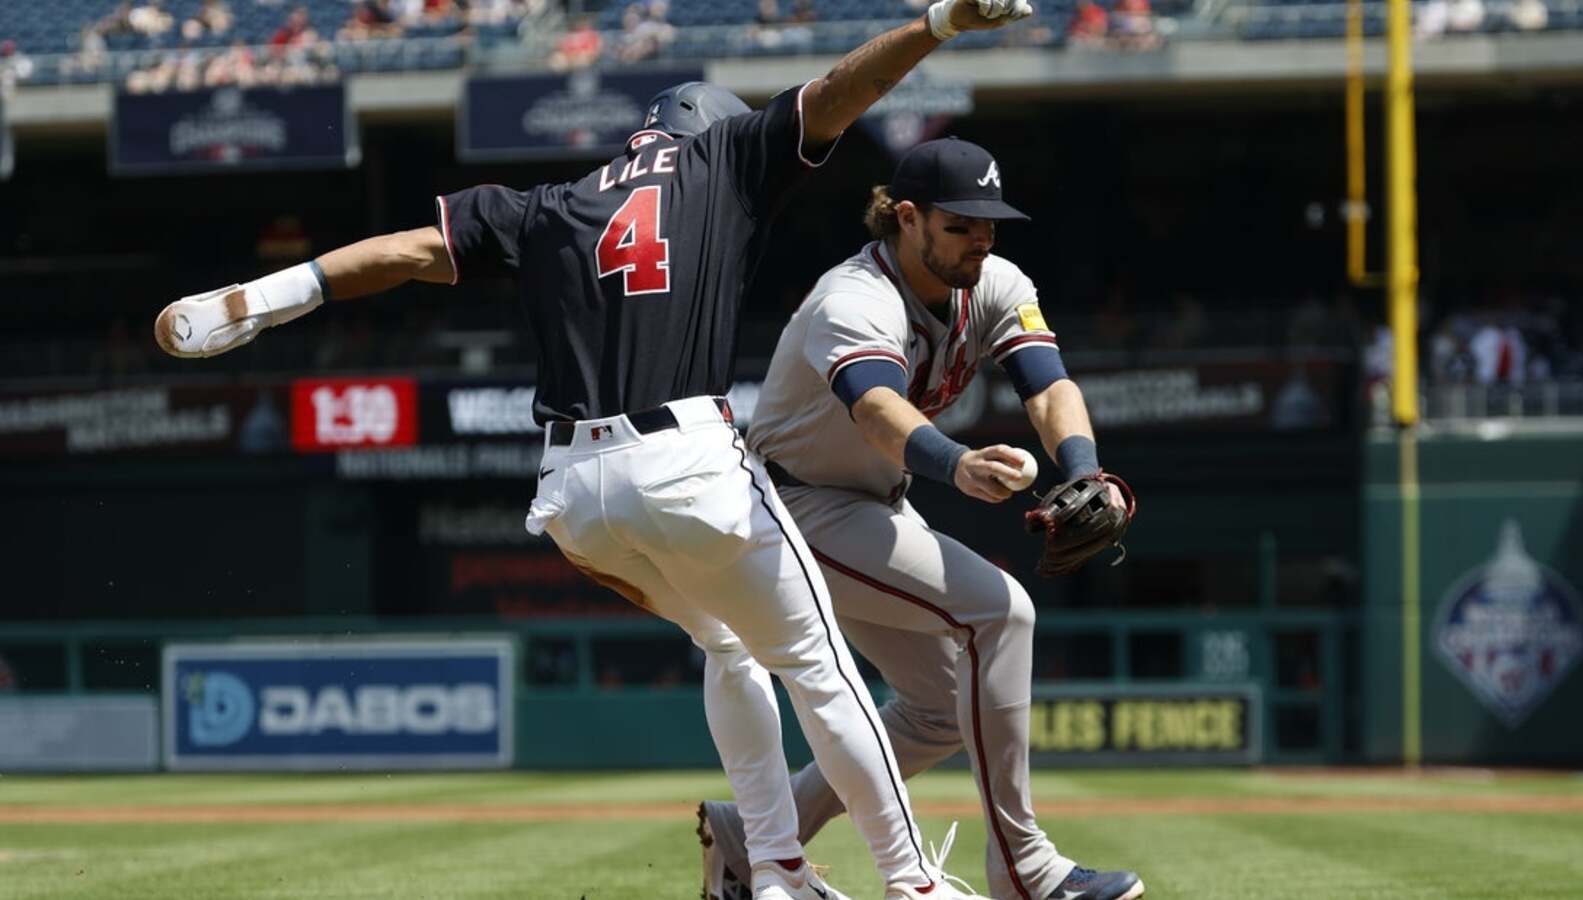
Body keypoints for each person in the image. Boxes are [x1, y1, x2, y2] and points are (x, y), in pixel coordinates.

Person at [152, 4, 1035, 900]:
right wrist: (939, 22)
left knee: (727, 647)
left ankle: (775, 869)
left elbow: (411, 249)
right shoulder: (722, 159)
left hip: (572, 492)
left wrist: (279, 291)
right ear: (713, 131)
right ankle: (911, 883)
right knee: (821, 668)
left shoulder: (551, 203)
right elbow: (846, 93)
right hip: (687, 460)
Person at [697, 138, 1144, 900]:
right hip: (788, 507)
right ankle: (1026, 871)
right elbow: (874, 406)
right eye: (962, 223)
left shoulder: (995, 281)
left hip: (865, 504)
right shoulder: (853, 297)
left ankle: (753, 836)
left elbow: (1048, 384)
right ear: (907, 218)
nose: (982, 238)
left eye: (991, 223)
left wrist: (1083, 471)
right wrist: (957, 465)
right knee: (1001, 613)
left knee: (938, 710)